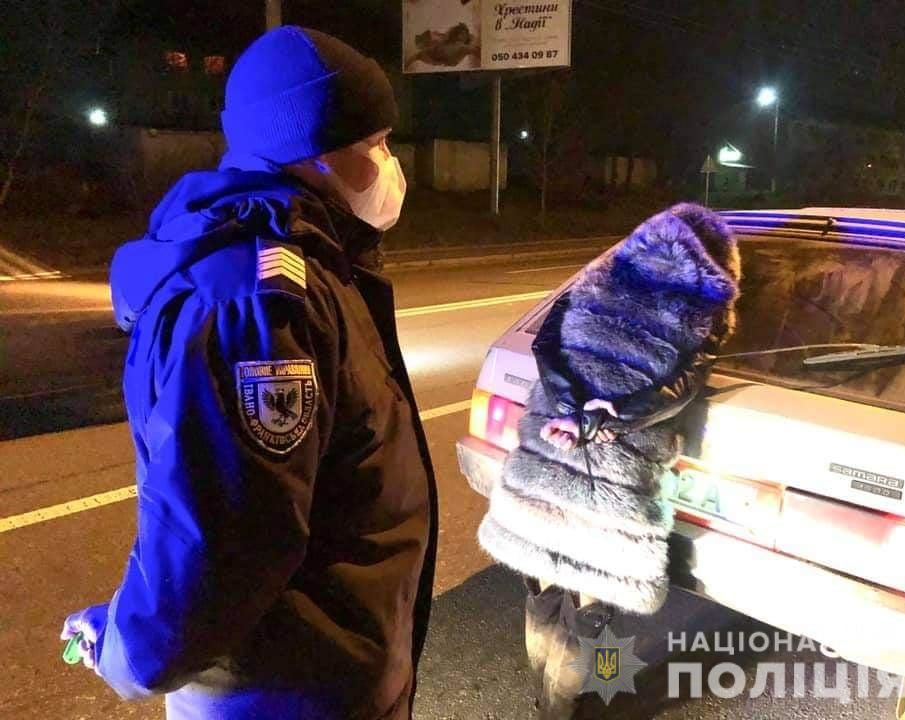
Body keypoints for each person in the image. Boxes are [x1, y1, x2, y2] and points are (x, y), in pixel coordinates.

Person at [60, 26, 438, 720]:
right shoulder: (252, 304)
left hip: (329, 678)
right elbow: (222, 545)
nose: (391, 163)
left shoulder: (318, 264)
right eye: (377, 144)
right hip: (284, 697)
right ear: (314, 153)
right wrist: (126, 647)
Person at [478, 204, 741, 717]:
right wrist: (609, 420)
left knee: (544, 577)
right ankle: (566, 709)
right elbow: (682, 386)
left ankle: (546, 701)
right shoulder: (705, 301)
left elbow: (547, 343)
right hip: (612, 467)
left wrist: (570, 406)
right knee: (592, 599)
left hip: (552, 443)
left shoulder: (603, 271)